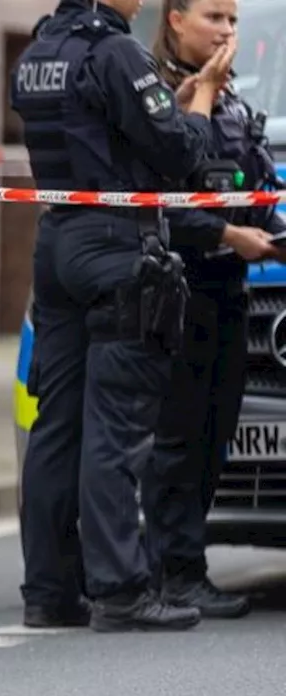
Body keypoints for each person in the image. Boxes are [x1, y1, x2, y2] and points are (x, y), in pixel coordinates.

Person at [9, 0, 274, 633]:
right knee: (117, 426)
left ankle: (48, 591)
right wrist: (203, 94)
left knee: (58, 426)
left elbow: (94, 130)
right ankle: (121, 589)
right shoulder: (116, 49)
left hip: (57, 242)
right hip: (116, 244)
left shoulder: (42, 48)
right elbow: (181, 150)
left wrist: (171, 99)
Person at [140, 0, 285, 620]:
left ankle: (186, 568)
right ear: (175, 20)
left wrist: (267, 229)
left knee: (212, 433)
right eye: (214, 18)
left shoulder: (230, 104)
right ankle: (167, 571)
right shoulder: (159, 98)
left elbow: (256, 191)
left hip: (231, 288)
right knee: (176, 436)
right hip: (180, 287)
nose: (228, 31)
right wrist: (230, 237)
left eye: (232, 20)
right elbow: (165, 201)